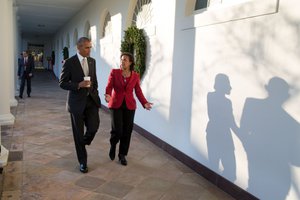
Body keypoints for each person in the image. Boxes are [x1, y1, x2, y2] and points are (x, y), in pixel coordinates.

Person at [59, 37, 101, 173]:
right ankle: (83, 162)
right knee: (78, 133)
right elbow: (62, 83)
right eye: (87, 47)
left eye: (90, 47)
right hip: (76, 104)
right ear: (79, 48)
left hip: (91, 101)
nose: (89, 50)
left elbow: (94, 80)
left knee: (93, 128)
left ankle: (83, 142)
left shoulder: (92, 61)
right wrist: (78, 85)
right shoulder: (69, 62)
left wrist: (95, 92)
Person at [105, 52, 152, 166]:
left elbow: (138, 91)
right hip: (116, 104)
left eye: (125, 59)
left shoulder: (135, 75)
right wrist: (107, 94)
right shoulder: (114, 72)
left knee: (127, 131)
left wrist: (144, 102)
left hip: (130, 106)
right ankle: (113, 144)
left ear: (130, 62)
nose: (122, 61)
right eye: (121, 59)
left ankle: (122, 155)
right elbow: (109, 86)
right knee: (118, 130)